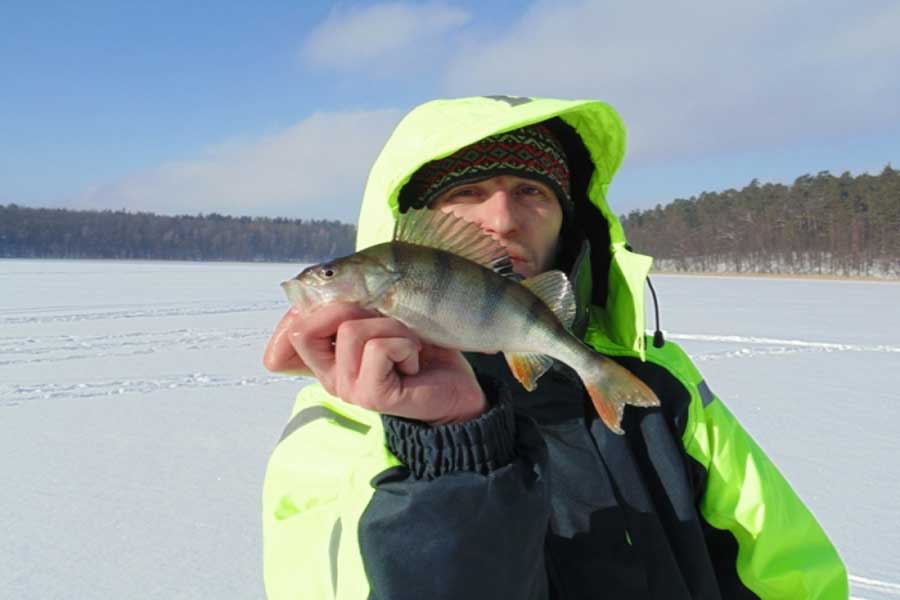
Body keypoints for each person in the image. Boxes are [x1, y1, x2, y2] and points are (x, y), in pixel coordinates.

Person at [260, 96, 848, 599]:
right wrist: (447, 449)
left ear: (569, 220)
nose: (503, 217)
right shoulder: (344, 417)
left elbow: (788, 568)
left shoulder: (661, 379)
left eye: (530, 191)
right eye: (466, 191)